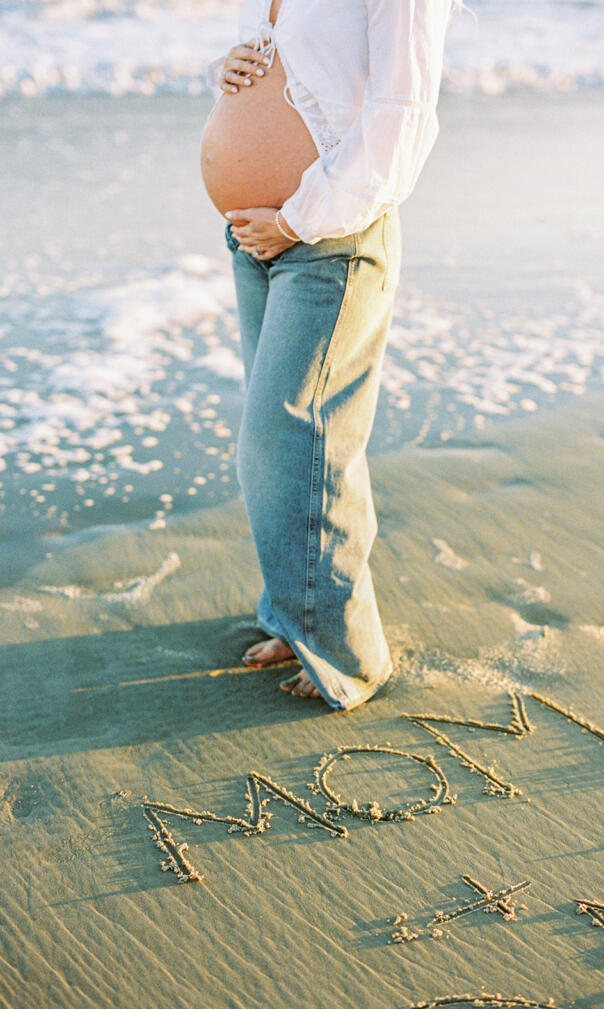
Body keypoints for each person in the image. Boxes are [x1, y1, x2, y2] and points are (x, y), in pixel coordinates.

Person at [211, 0, 454, 711]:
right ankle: (297, 614)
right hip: (261, 238)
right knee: (279, 445)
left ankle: (348, 654)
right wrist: (229, 74)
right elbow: (310, 78)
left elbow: (402, 118)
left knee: (296, 441)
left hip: (328, 240)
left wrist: (295, 217)